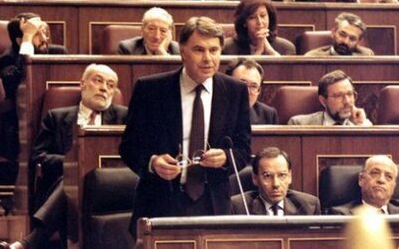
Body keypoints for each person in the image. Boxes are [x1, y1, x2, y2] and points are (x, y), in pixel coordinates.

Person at [120, 16, 251, 237]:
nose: (208, 58)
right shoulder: (150, 90)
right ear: (182, 51)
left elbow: (243, 149)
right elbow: (129, 147)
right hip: (161, 202)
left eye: (214, 50)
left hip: (213, 205)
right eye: (199, 50)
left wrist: (226, 158)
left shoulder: (235, 91)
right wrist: (153, 162)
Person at [6, 64, 129, 249]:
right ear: (83, 84)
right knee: (72, 180)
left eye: (111, 85)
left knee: (72, 181)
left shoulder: (124, 117)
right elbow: (38, 157)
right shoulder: (56, 118)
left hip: (109, 187)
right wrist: (73, 165)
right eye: (98, 81)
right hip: (64, 186)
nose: (104, 88)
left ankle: (31, 243)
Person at [0, 13, 67, 205]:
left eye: (44, 31)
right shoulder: (6, 60)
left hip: (57, 123)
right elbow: (19, 81)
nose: (44, 38)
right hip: (20, 126)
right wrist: (27, 41)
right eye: (36, 34)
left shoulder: (59, 53)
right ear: (20, 39)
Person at [232, 147, 321, 215]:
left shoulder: (309, 206)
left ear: (289, 176)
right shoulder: (238, 207)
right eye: (267, 176)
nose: (276, 184)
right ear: (255, 178)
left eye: (282, 175)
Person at [288, 70, 373, 126]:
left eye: (350, 94)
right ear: (323, 101)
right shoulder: (299, 124)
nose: (347, 101)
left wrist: (360, 126)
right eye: (338, 96)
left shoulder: (364, 124)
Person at [222, 0, 296, 56]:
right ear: (244, 22)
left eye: (263, 16)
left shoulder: (286, 48)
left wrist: (269, 50)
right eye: (252, 17)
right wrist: (259, 51)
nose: (260, 22)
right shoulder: (228, 48)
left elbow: (284, 71)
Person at [328, 155, 399, 215]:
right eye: (375, 173)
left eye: (388, 176)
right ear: (361, 179)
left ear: (394, 186)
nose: (381, 180)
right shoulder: (341, 215)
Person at [225, 58, 278, 124]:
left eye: (254, 86)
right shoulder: (213, 111)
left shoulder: (268, 115)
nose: (247, 92)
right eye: (242, 85)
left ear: (259, 91)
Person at [305, 12, 374, 56]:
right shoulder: (313, 56)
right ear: (333, 33)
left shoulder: (366, 55)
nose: (346, 41)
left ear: (359, 41)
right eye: (342, 35)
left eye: (352, 39)